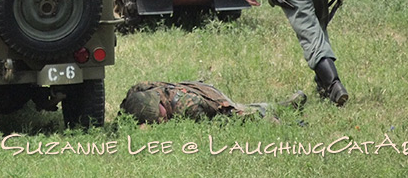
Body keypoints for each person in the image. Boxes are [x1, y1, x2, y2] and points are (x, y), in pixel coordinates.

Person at [119, 81, 306, 124]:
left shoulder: (185, 105)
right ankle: (283, 106)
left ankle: (280, 117)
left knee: (237, 115)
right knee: (242, 108)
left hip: (209, 101)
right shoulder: (146, 93)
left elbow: (211, 122)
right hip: (201, 91)